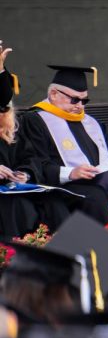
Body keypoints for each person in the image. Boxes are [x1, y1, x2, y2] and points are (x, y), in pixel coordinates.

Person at [17, 64, 108, 225]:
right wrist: (71, 173)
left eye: (84, 100)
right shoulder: (34, 121)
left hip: (101, 185)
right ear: (54, 94)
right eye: (74, 99)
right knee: (94, 195)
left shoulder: (93, 123)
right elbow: (36, 163)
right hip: (65, 188)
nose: (80, 106)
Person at [0, 44, 71, 238]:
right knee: (17, 206)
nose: (3, 114)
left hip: (13, 189)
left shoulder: (10, 127)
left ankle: (65, 258)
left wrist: (25, 173)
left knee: (53, 202)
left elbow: (29, 156)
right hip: (7, 200)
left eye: (4, 109)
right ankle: (13, 261)